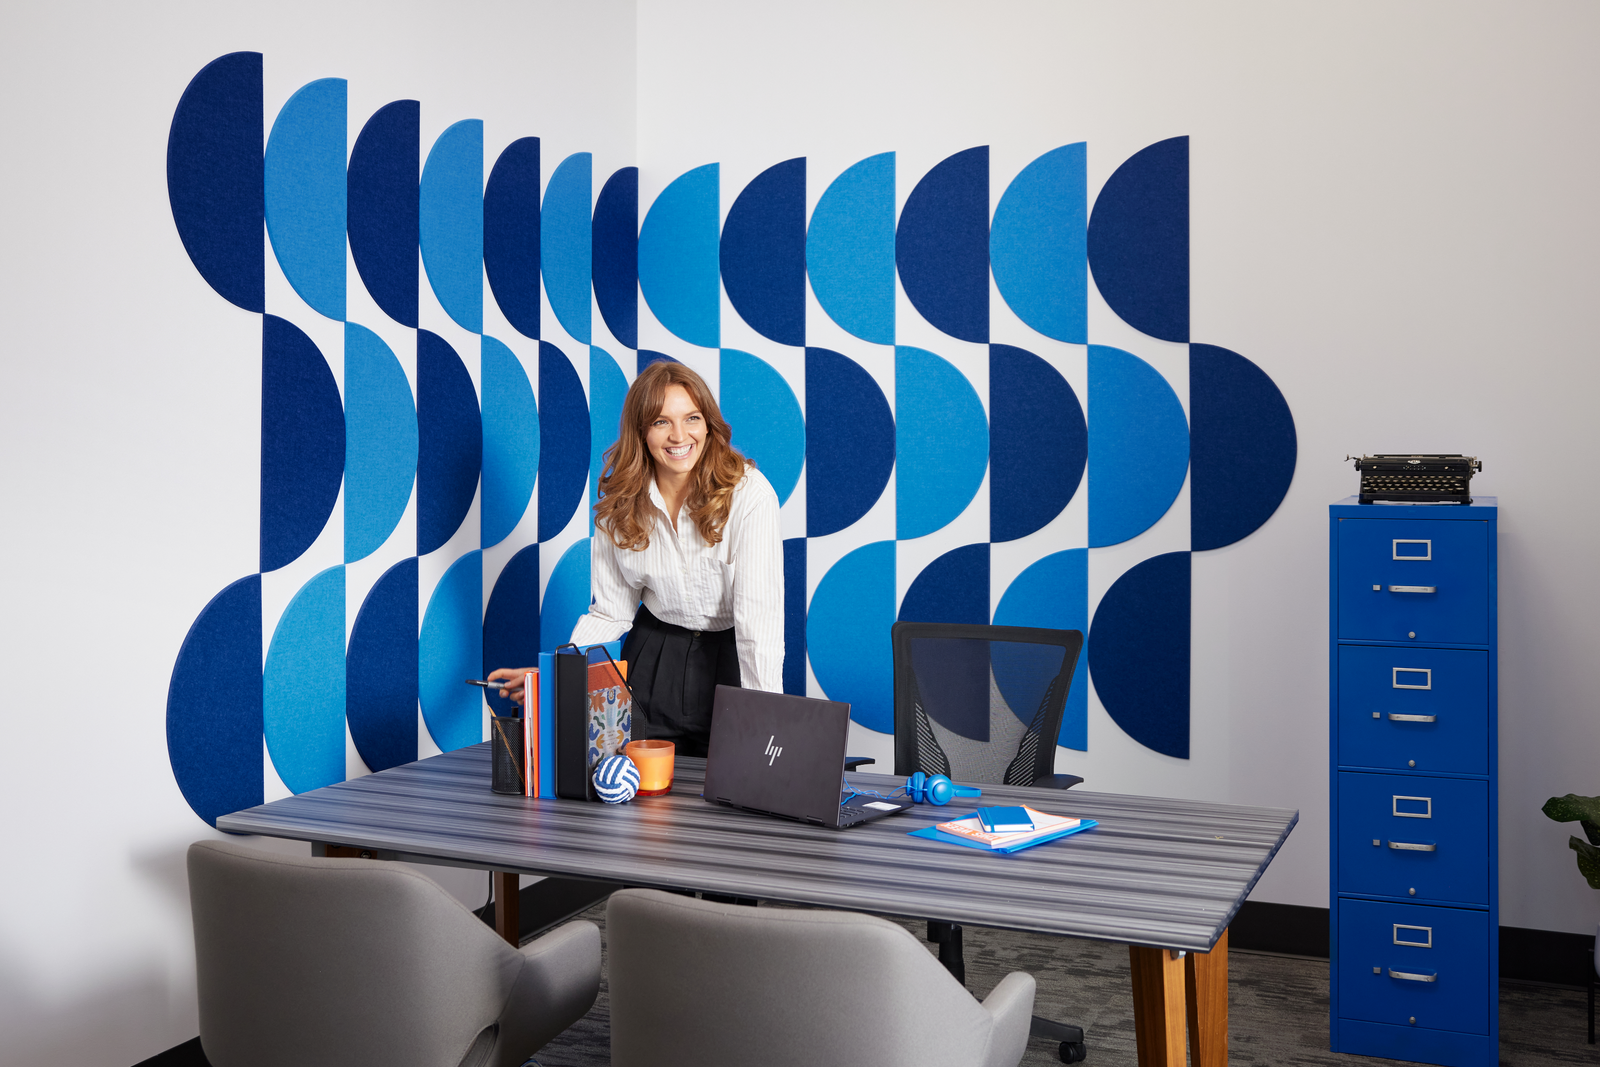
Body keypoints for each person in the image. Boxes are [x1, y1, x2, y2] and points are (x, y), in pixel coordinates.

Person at [489, 360, 784, 757]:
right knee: (643, 796)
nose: (679, 435)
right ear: (641, 431)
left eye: (692, 418)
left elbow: (758, 623)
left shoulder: (750, 496)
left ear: (709, 424)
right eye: (662, 422)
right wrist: (553, 680)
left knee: (734, 793)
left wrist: (768, 722)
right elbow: (609, 614)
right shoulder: (620, 505)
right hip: (654, 657)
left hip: (733, 658)